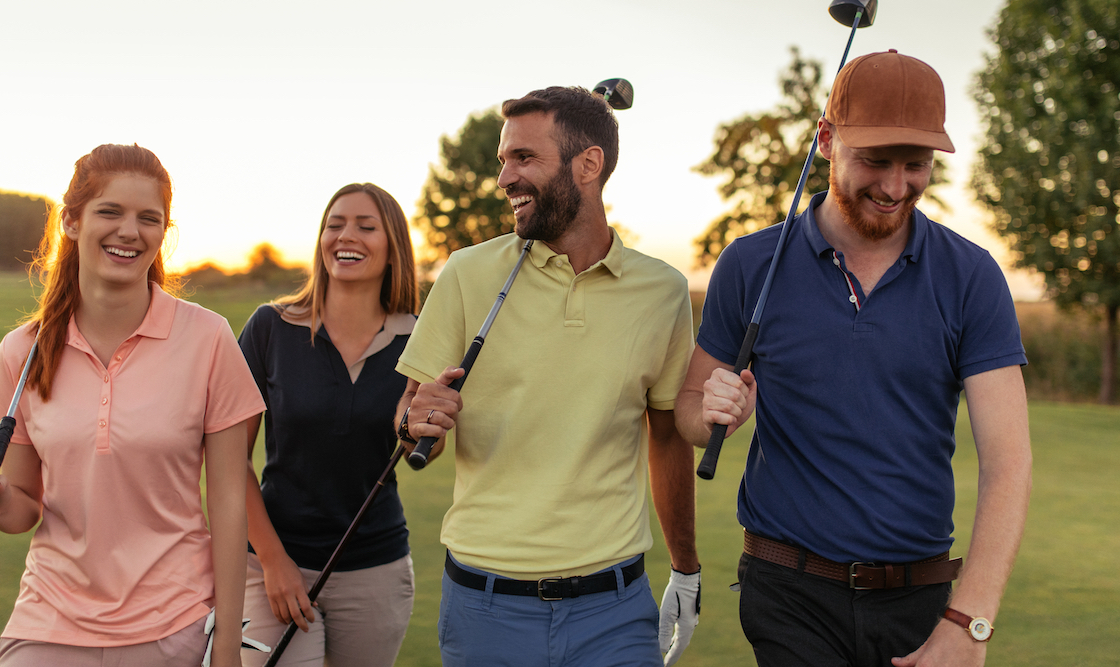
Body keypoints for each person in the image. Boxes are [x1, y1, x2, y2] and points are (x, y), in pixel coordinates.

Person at [677, 50, 1033, 667]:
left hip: (920, 601)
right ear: (825, 140)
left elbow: (1009, 463)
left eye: (916, 165)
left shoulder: (971, 276)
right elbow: (687, 411)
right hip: (788, 592)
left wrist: (968, 622)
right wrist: (712, 410)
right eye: (874, 161)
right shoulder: (749, 264)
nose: (896, 188)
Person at [397, 86, 701, 667]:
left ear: (590, 165)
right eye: (503, 161)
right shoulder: (466, 274)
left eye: (524, 158)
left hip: (615, 611)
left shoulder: (662, 291)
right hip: (485, 609)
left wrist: (685, 567)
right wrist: (416, 422)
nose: (505, 177)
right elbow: (411, 423)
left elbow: (667, 438)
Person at [0, 143, 265, 667]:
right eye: (110, 211)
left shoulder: (209, 338)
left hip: (176, 625)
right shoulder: (21, 352)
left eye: (149, 218)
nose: (130, 231)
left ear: (163, 234)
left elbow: (230, 503)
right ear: (72, 221)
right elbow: (25, 504)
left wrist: (228, 645)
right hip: (47, 624)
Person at [237, 183, 419, 667]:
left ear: (392, 245)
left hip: (376, 572)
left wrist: (419, 429)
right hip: (273, 566)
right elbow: (229, 461)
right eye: (334, 225)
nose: (346, 236)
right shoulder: (269, 329)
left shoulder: (419, 338)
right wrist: (274, 563)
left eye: (365, 226)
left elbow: (424, 444)